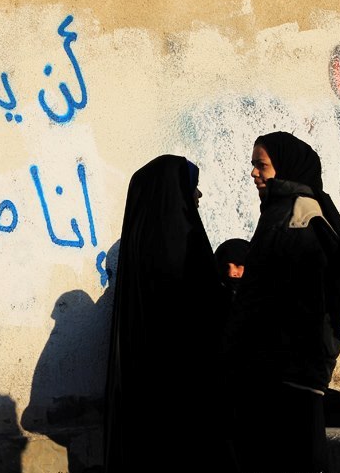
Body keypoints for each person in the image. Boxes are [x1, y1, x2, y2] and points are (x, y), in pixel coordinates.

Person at [225, 132, 340, 473]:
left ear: (286, 168)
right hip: (285, 374)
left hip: (288, 375)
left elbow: (296, 296)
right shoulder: (285, 211)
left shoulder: (297, 216)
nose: (254, 173)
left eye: (261, 165)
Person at [103, 155, 232, 472]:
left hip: (146, 402)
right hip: (186, 398)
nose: (198, 195)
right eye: (192, 186)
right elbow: (207, 317)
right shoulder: (183, 247)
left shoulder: (139, 249)